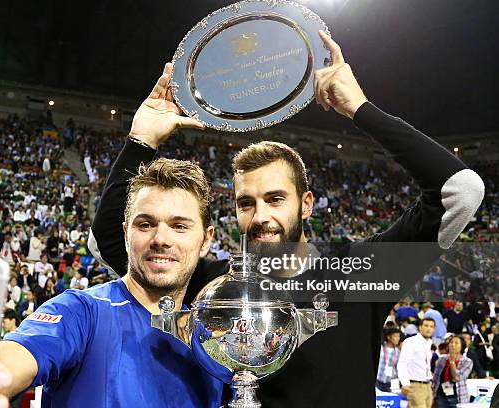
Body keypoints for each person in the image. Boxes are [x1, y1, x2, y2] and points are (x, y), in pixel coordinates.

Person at [90, 32, 485, 407]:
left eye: (275, 198)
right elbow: (110, 240)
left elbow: (460, 191)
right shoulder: (212, 283)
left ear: (306, 204)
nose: (260, 216)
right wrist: (142, 140)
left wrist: (360, 110)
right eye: (246, 203)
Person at [0, 156, 224, 408]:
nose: (160, 239)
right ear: (125, 234)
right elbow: (6, 365)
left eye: (180, 226)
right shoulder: (81, 313)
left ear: (207, 240)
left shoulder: (217, 342)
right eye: (145, 224)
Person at [397, 318, 436, 408]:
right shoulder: (411, 342)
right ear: (420, 327)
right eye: (426, 326)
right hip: (415, 385)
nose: (428, 328)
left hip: (427, 385)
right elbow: (402, 363)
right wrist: (405, 383)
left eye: (431, 326)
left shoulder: (429, 343)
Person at [431, 335, 473, 408]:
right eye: (451, 342)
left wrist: (452, 361)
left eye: (456, 343)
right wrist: (432, 395)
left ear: (462, 346)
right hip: (441, 396)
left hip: (458, 396)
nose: (453, 345)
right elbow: (435, 378)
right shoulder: (441, 359)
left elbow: (457, 378)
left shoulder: (467, 362)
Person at [376, 327, 401, 392]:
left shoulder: (398, 352)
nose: (398, 338)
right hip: (377, 379)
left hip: (389, 382)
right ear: (388, 337)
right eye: (395, 336)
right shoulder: (380, 348)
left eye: (398, 336)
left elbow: (397, 368)